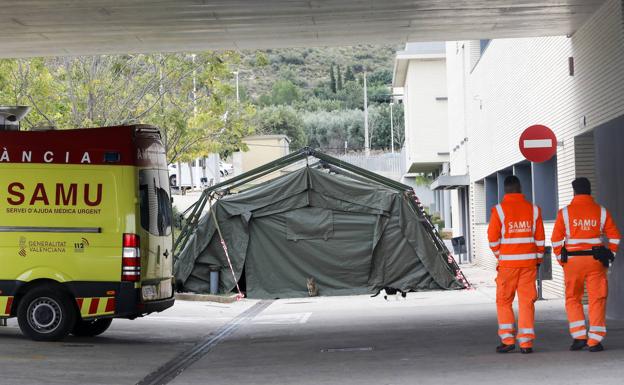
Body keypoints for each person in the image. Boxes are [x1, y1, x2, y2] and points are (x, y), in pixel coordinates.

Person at [551, 177, 621, 352]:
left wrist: (562, 260)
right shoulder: (601, 211)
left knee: (573, 298)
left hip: (573, 263)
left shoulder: (564, 213)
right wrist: (609, 256)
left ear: (574, 191)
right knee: (597, 299)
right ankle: (595, 341)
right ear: (590, 191)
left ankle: (579, 337)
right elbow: (615, 237)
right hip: (596, 261)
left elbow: (555, 240)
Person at [488, 175, 545, 354]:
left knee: (504, 301)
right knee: (527, 302)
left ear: (505, 190)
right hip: (529, 264)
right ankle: (526, 343)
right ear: (520, 188)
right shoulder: (534, 210)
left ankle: (508, 340)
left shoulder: (499, 210)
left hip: (508, 267)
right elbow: (540, 239)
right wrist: (538, 260)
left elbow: (492, 239)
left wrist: (501, 255)